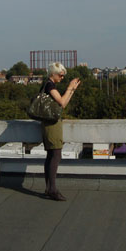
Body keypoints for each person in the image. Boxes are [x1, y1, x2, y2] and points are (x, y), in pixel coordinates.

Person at [41, 62, 81, 201]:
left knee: (51, 155)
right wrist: (70, 88)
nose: (62, 78)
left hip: (50, 123)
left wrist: (72, 89)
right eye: (61, 75)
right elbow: (62, 103)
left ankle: (49, 188)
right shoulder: (50, 85)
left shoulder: (49, 84)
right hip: (52, 124)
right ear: (53, 73)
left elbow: (62, 104)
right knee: (56, 155)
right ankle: (52, 189)